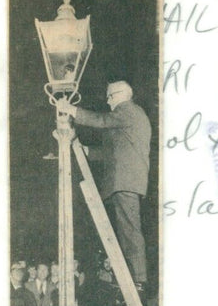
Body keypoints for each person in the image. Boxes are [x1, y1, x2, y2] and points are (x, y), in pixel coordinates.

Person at [61, 81, 151, 289]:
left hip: (125, 181)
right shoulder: (128, 118)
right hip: (124, 181)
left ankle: (138, 278)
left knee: (129, 230)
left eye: (110, 96)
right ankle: (132, 275)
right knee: (126, 230)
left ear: (122, 95)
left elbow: (101, 120)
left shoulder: (128, 110)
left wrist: (71, 109)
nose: (108, 100)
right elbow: (112, 153)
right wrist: (86, 150)